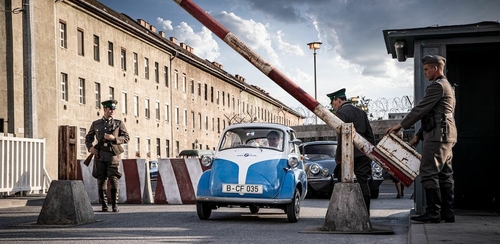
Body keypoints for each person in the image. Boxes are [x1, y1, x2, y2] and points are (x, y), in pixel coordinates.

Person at [386, 55, 457, 223]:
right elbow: (432, 114)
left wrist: (401, 125)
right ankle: (447, 212)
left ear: (436, 68)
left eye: (426, 69)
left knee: (427, 172)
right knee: (445, 174)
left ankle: (433, 212)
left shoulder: (437, 86)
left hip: (438, 135)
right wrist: (418, 136)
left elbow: (421, 110)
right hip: (446, 135)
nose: (424, 73)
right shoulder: (447, 86)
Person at [328, 88, 375, 213]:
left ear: (338, 100)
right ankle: (366, 213)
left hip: (348, 154)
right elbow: (370, 135)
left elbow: (341, 137)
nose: (333, 106)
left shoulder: (341, 113)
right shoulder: (361, 112)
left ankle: (345, 211)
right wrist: (371, 153)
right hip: (363, 153)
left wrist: (338, 156)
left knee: (342, 180)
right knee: (363, 182)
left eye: (333, 103)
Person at [86, 99, 130, 212]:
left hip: (113, 155)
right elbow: (88, 137)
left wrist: (114, 138)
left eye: (113, 109)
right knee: (101, 180)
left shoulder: (118, 123)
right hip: (100, 155)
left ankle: (115, 205)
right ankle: (104, 205)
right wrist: (90, 148)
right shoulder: (96, 124)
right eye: (110, 109)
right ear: (104, 109)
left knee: (114, 178)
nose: (112, 111)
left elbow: (126, 138)